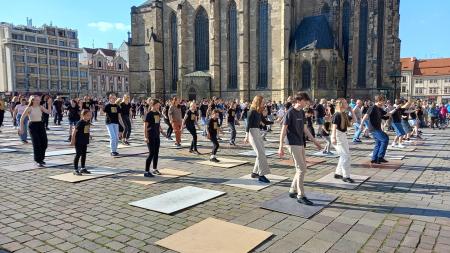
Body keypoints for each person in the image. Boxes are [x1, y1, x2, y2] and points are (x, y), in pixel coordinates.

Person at [278, 93, 322, 206]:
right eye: (305, 101)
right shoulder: (290, 112)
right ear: (299, 100)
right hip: (292, 143)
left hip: (300, 142)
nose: (307, 103)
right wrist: (280, 146)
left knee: (302, 168)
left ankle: (293, 189)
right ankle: (300, 195)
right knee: (301, 169)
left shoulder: (301, 112)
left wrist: (314, 141)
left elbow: (304, 129)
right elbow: (283, 130)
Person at [361, 95, 397, 164]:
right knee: (385, 139)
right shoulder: (372, 107)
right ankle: (380, 157)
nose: (384, 102)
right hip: (373, 128)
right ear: (379, 101)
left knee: (378, 142)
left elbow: (387, 114)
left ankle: (374, 159)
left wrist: (395, 110)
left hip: (377, 128)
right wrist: (361, 124)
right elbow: (366, 115)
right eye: (383, 101)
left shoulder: (379, 109)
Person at [244, 95, 271, 183]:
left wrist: (278, 121)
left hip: (257, 132)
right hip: (252, 132)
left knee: (261, 152)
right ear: (258, 101)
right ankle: (261, 174)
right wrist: (246, 136)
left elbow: (265, 121)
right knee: (260, 153)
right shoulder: (251, 111)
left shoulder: (259, 111)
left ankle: (254, 172)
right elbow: (248, 125)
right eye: (262, 101)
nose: (264, 103)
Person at [19, 95, 52, 167]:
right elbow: (21, 118)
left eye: (39, 100)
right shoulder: (29, 108)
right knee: (36, 143)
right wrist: (21, 128)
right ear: (33, 100)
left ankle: (41, 158)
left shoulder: (40, 107)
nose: (38, 101)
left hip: (40, 125)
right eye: (37, 100)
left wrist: (49, 104)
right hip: (32, 126)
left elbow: (48, 112)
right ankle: (38, 160)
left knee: (44, 143)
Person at [331, 98, 354, 183]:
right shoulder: (337, 114)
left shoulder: (344, 114)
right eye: (345, 102)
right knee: (345, 156)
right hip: (337, 136)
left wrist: (352, 111)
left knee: (344, 155)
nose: (347, 103)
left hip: (343, 135)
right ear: (341, 104)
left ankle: (338, 173)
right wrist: (333, 137)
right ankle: (346, 176)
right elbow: (334, 127)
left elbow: (354, 120)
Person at [144, 99, 167, 177]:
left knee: (156, 153)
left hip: (157, 135)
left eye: (159, 105)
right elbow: (145, 126)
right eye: (157, 104)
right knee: (151, 153)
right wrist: (145, 137)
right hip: (150, 135)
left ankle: (154, 169)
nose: (159, 106)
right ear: (153, 105)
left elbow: (157, 124)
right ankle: (146, 171)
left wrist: (162, 132)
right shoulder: (149, 114)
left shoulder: (157, 113)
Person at [71, 109, 92, 175]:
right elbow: (74, 131)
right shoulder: (80, 122)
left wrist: (90, 135)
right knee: (78, 154)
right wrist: (72, 140)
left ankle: (83, 168)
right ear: (83, 115)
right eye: (88, 115)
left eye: (90, 115)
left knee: (84, 155)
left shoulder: (87, 122)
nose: (89, 116)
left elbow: (87, 129)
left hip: (84, 140)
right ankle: (75, 169)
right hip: (79, 141)